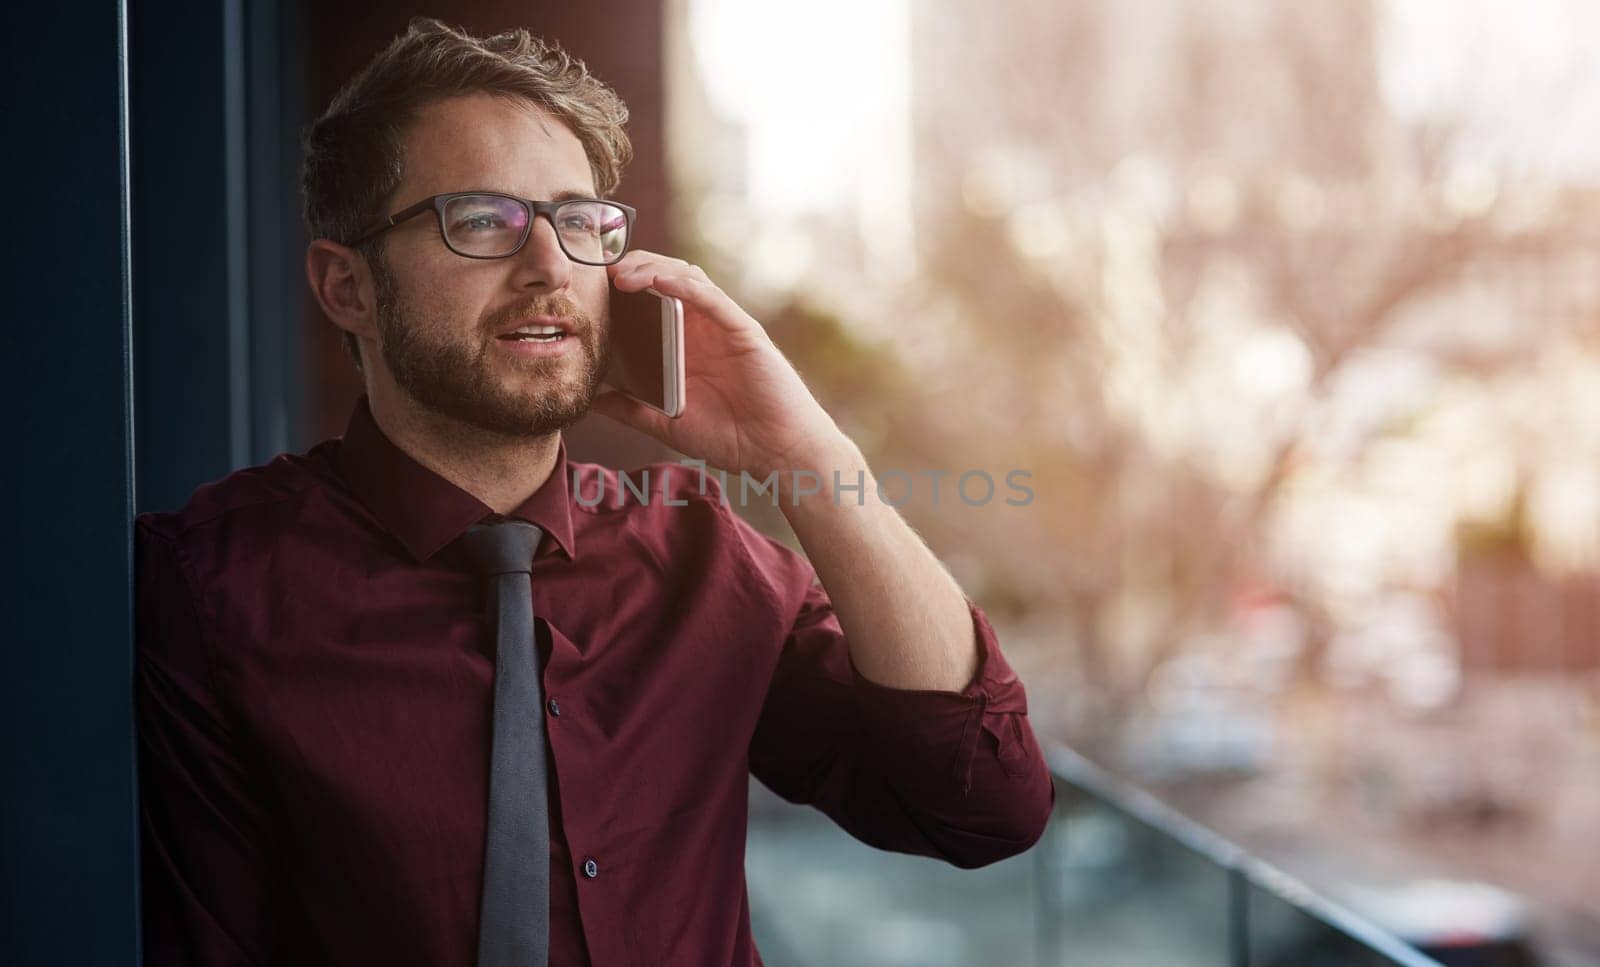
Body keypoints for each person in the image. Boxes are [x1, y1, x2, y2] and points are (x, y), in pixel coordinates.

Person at [134, 17, 1054, 967]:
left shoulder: (703, 555)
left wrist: (805, 453)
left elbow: (987, 804)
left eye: (579, 223)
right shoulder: (208, 588)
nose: (549, 269)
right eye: (484, 221)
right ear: (347, 287)